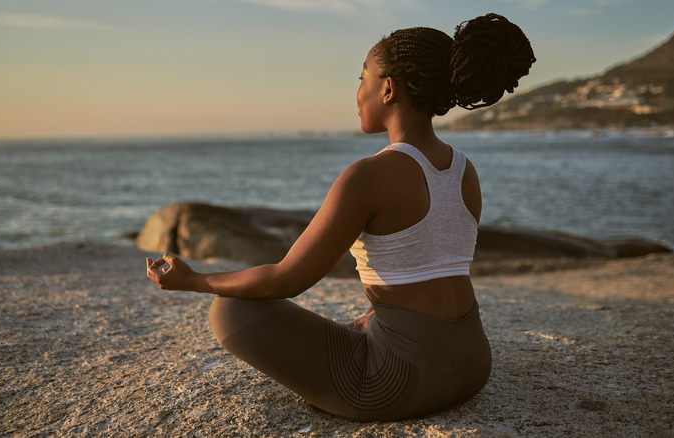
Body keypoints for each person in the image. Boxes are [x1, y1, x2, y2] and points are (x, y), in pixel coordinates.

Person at [146, 13, 535, 421]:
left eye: (361, 76)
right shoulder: (463, 170)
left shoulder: (368, 176)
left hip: (399, 385)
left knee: (229, 310)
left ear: (388, 88)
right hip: (474, 365)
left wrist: (193, 280)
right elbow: (431, 269)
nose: (357, 90)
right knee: (360, 322)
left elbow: (286, 280)